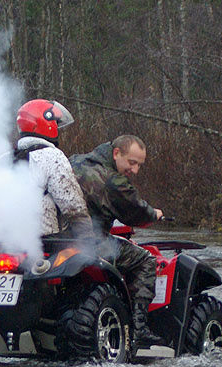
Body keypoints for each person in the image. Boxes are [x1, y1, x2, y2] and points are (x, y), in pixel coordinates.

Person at [69, 135, 164, 348]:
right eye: (132, 162)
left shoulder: (73, 161)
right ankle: (139, 329)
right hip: (91, 243)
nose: (135, 170)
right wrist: (154, 214)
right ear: (116, 153)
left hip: (57, 242)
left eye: (139, 165)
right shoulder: (114, 181)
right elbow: (135, 213)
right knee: (145, 260)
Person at [14, 99, 94, 239]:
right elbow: (73, 206)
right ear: (47, 123)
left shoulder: (7, 158)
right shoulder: (51, 156)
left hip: (9, 243)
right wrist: (89, 241)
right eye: (56, 124)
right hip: (45, 244)